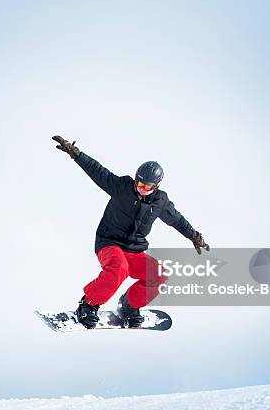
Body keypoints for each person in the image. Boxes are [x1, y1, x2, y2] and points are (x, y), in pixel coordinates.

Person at [52, 136, 210, 328]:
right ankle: (88, 305)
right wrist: (76, 154)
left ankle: (129, 306)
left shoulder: (160, 202)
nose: (141, 189)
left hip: (134, 250)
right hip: (109, 243)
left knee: (158, 275)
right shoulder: (122, 187)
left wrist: (193, 236)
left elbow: (176, 219)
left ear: (156, 186)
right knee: (119, 269)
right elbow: (98, 172)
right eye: (139, 184)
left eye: (147, 187)